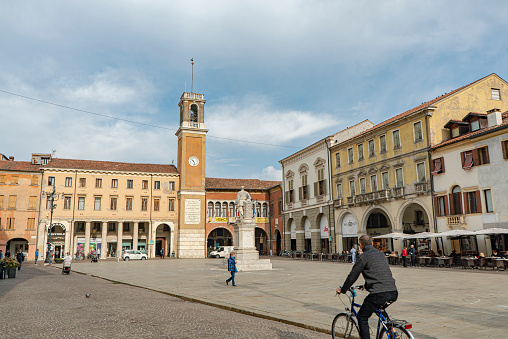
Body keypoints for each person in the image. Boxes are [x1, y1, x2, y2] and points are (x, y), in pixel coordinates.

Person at [336, 235, 398, 339]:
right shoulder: (381, 254)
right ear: (372, 243)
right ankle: (392, 329)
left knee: (362, 317)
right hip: (393, 291)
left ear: (360, 245)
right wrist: (367, 284)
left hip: (379, 293)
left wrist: (343, 290)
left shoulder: (363, 256)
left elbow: (353, 276)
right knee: (379, 308)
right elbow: (379, 272)